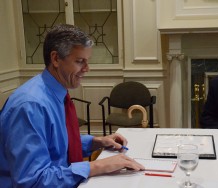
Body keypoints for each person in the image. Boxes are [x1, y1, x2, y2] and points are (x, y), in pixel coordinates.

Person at [0, 24, 144, 187]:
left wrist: (96, 142)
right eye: (80, 61)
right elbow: (33, 181)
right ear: (55, 59)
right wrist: (97, 165)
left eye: (87, 61)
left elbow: (54, 144)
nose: (86, 69)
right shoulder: (30, 106)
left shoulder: (54, 93)